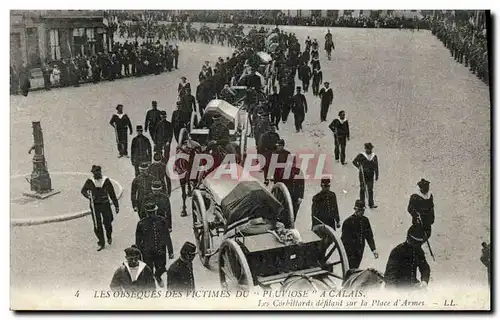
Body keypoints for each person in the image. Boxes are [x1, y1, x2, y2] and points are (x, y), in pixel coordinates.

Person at [81, 165, 119, 251]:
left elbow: (112, 193)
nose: (97, 174)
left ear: (101, 172)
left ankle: (109, 236)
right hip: (95, 206)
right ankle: (101, 242)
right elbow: (83, 191)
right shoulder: (90, 181)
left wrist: (116, 205)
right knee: (97, 225)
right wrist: (89, 196)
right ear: (93, 173)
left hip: (105, 204)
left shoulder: (106, 181)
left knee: (108, 222)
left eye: (98, 172)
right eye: (95, 173)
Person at [135, 201, 170, 287]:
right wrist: (139, 253)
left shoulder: (162, 221)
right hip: (147, 252)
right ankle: (151, 285)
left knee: (161, 267)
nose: (152, 214)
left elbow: (167, 236)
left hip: (160, 250)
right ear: (147, 213)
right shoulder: (141, 224)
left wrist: (170, 251)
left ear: (156, 211)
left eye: (153, 212)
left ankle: (158, 276)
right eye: (150, 213)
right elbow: (138, 240)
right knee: (148, 270)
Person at [341, 200, 378, 269]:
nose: (362, 212)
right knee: (351, 268)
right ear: (355, 209)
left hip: (360, 249)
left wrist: (374, 250)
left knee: (356, 267)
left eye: (363, 210)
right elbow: (344, 240)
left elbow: (369, 236)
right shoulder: (348, 222)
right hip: (350, 251)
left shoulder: (365, 220)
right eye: (360, 210)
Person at [352, 143, 379, 209]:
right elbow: (354, 161)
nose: (369, 150)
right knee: (363, 189)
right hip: (363, 175)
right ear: (365, 149)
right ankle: (362, 204)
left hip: (371, 175)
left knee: (370, 189)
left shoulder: (374, 156)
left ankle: (371, 204)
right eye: (367, 149)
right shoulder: (361, 155)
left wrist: (377, 175)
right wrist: (359, 167)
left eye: (370, 149)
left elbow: (376, 166)